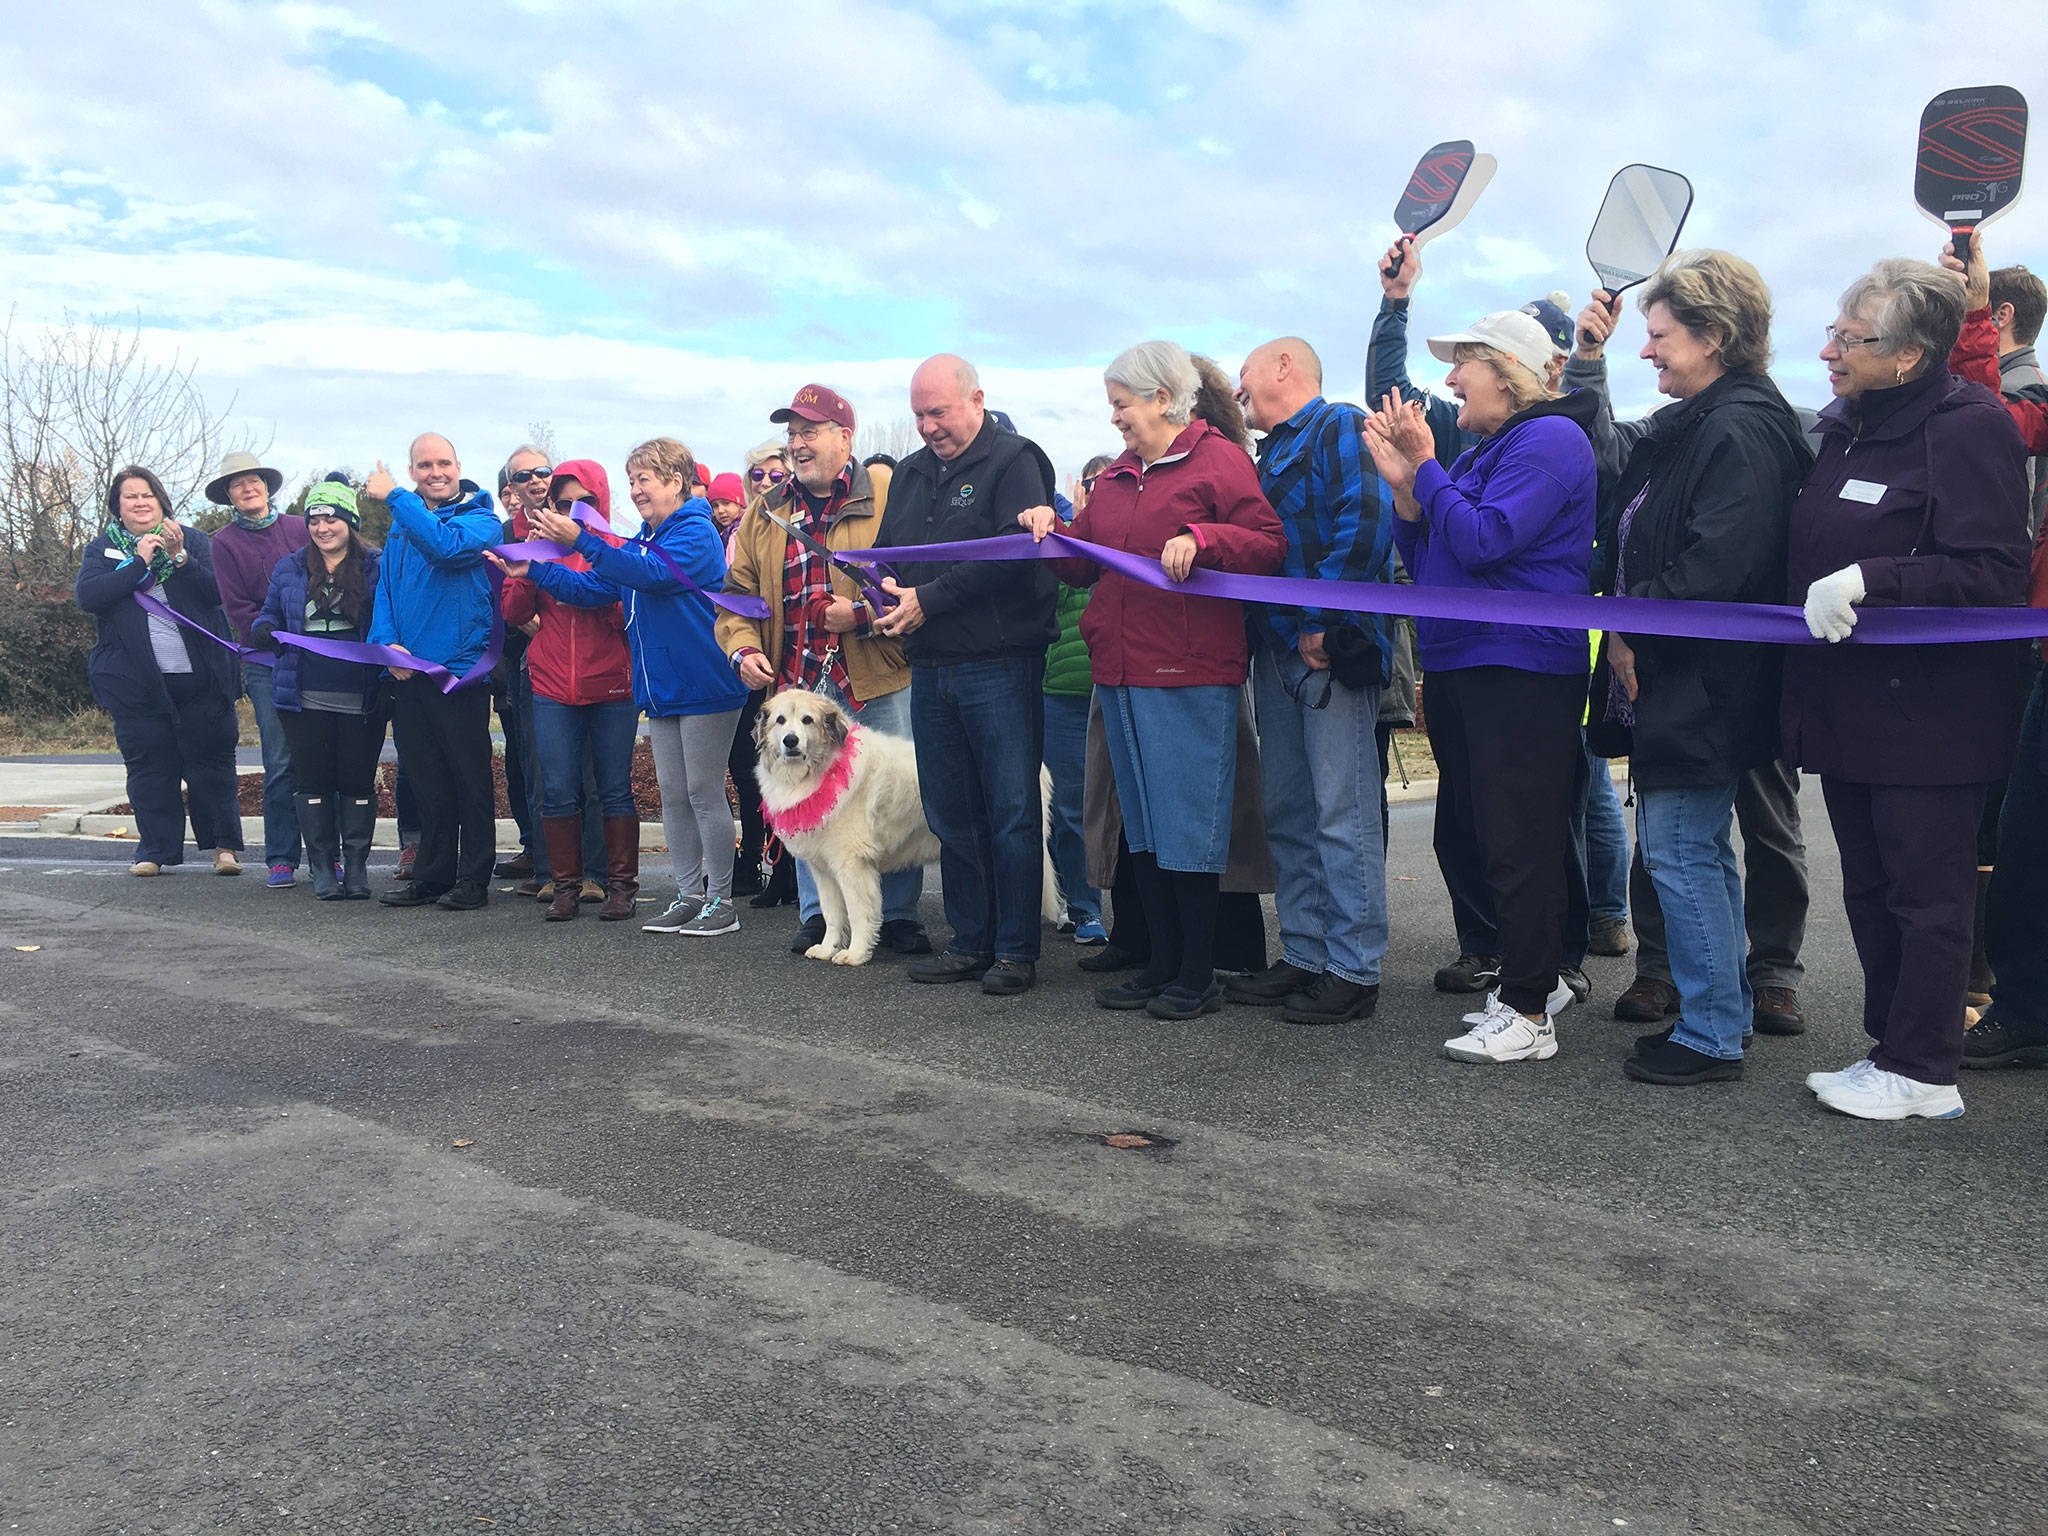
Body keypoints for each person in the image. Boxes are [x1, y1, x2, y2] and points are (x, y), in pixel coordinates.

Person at [1786, 258, 2030, 1120]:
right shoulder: (1847, 425)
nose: (1828, 352)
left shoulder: (1973, 427)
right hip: (1852, 702)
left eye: (1851, 340)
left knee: (1928, 893)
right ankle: (1890, 1048)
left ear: (1911, 355)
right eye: (1833, 332)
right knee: (1870, 884)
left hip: (1935, 711)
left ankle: (1925, 1068)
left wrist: (1875, 576)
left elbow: (1996, 572)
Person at [1580, 251, 1813, 1086]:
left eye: (1661, 336)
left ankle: (1712, 1034)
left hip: (1702, 683)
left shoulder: (1736, 428)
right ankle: (1722, 1015)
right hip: (1694, 676)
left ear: (1715, 336)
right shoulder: (1708, 421)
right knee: (1697, 852)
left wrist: (1639, 629)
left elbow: (1718, 565)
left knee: (1681, 851)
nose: (1649, 352)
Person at [1020, 339, 1286, 1020]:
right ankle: (1162, 962)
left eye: (1122, 404)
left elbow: (1266, 544)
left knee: (1188, 825)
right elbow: (1084, 567)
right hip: (1121, 671)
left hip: (1189, 671)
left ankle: (1197, 973)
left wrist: (1204, 537)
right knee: (1143, 827)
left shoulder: (1219, 460)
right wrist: (1052, 533)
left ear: (1162, 399)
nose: (1114, 418)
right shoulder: (1113, 480)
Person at [1363, 307, 1598, 1062]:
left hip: (1519, 664)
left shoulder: (1551, 438)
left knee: (1517, 838)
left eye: (1464, 363)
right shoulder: (1483, 451)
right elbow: (1429, 550)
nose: (1451, 379)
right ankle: (1528, 985)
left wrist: (1426, 466)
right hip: (1467, 660)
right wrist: (1406, 490)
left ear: (1507, 370)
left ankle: (1530, 1011)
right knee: (1485, 832)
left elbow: (1484, 539)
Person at [717, 386, 929, 956]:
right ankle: (821, 917)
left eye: (809, 432)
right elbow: (735, 597)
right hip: (797, 681)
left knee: (896, 794)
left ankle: (900, 917)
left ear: (844, 436)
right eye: (792, 434)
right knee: (807, 801)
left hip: (877, 672)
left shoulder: (888, 490)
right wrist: (742, 650)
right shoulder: (767, 511)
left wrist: (860, 613)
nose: (798, 444)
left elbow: (916, 572)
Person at [874, 355, 1059, 996]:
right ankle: (969, 940)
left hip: (1000, 662)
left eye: (939, 412)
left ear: (976, 399)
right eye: (919, 414)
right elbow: (895, 552)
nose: (928, 426)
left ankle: (1015, 950)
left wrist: (930, 598)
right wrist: (888, 598)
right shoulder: (909, 473)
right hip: (932, 664)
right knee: (950, 810)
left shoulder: (1015, 460)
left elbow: (1010, 555)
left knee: (1008, 808)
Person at [502, 440, 741, 931]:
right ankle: (688, 893)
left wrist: (582, 541)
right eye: (630, 481)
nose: (635, 491)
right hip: (661, 689)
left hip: (704, 683)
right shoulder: (646, 538)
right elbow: (592, 588)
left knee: (702, 793)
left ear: (675, 481)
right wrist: (537, 569)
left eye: (644, 480)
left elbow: (651, 576)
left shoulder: (695, 533)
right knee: (674, 795)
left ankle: (721, 902)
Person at [1231, 335, 1395, 1026]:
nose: (1238, 393)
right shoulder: (1268, 455)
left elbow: (1366, 525)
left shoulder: (1339, 426)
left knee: (1340, 808)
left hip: (1325, 648)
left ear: (1284, 369)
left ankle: (1353, 967)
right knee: (1292, 811)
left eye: (1244, 377)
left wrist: (1320, 619)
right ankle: (1303, 952)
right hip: (1279, 649)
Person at [73, 467, 244, 877]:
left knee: (213, 766)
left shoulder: (193, 540)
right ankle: (155, 850)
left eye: (147, 495)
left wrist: (179, 558)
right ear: (117, 505)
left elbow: (217, 594)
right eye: (130, 496)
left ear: (161, 500)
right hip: (137, 685)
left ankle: (224, 849)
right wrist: (138, 563)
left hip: (202, 679)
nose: (140, 502)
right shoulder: (102, 550)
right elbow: (89, 597)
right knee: (150, 769)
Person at [497, 458, 640, 922]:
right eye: (564, 502)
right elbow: (513, 612)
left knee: (614, 788)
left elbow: (619, 608)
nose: (574, 510)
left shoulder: (617, 548)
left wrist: (549, 575)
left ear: (602, 500)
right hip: (553, 683)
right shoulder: (535, 548)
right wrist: (521, 569)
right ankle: (564, 888)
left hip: (611, 685)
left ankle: (620, 888)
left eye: (585, 501)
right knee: (556, 789)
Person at [367, 434, 502, 911]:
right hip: (407, 676)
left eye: (443, 463)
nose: (435, 472)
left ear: (459, 466)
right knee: (426, 779)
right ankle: (432, 873)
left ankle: (473, 879)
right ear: (414, 470)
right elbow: (385, 587)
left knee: (469, 781)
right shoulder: (403, 525)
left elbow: (445, 549)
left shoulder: (482, 520)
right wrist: (385, 645)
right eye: (424, 466)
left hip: (458, 674)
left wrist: (396, 497)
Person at [247, 480, 385, 899]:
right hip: (303, 695)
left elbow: (389, 618)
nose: (323, 528)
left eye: (332, 519)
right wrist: (264, 630)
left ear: (350, 521)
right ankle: (323, 867)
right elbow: (267, 613)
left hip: (362, 695)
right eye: (315, 520)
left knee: (357, 780)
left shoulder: (376, 564)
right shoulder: (290, 567)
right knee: (313, 781)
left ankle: (357, 867)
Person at [205, 450, 307, 887]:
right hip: (267, 662)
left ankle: (330, 854)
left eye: (254, 481)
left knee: (324, 759)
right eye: (237, 483)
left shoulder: (301, 527)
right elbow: (238, 609)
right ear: (229, 494)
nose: (248, 488)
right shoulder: (222, 543)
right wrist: (277, 633)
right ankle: (281, 856)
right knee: (281, 760)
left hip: (319, 656)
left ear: (267, 487)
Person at [1043, 456, 1113, 946]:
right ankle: (1082, 907)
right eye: (1093, 484)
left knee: (1118, 808)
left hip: (1114, 684)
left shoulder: (1116, 539)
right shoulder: (1062, 537)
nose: (1099, 491)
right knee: (1069, 808)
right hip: (1062, 693)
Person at [736, 439, 799, 907]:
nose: (765, 483)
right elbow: (734, 597)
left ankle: (795, 881)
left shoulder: (793, 520)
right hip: (762, 666)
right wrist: (742, 649)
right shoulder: (745, 528)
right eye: (757, 476)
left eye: (775, 476)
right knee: (768, 777)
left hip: (812, 660)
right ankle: (777, 874)